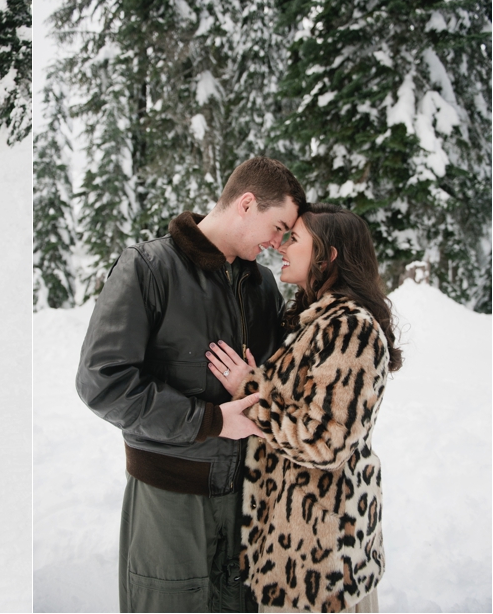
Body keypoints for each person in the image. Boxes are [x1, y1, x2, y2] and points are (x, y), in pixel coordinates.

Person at [76, 157, 307, 612]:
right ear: (246, 203)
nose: (278, 243)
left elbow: (282, 381)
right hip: (170, 505)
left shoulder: (262, 285)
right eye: (278, 226)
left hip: (247, 503)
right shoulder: (149, 267)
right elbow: (102, 381)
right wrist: (210, 420)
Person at [205, 203, 402, 613]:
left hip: (323, 570)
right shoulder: (318, 322)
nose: (281, 247)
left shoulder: (350, 328)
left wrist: (249, 389)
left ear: (327, 255)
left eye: (293, 239)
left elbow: (324, 442)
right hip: (295, 560)